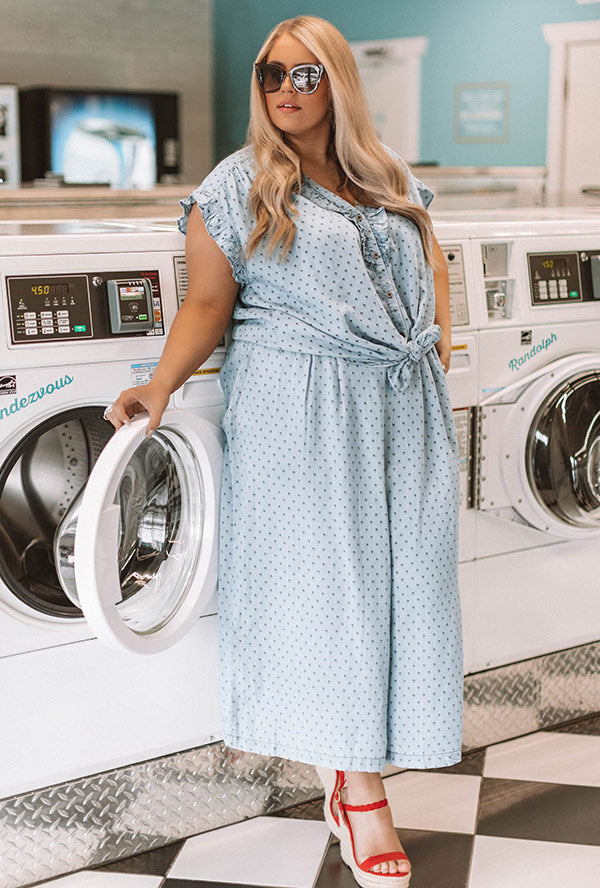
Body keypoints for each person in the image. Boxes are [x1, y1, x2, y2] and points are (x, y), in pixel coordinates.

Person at [104, 14, 463, 887]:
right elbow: (206, 305)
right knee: (331, 595)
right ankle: (358, 792)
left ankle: (375, 749)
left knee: (411, 586)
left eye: (306, 76)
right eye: (272, 74)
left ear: (338, 82)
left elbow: (437, 266)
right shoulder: (238, 185)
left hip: (403, 401)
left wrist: (439, 348)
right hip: (302, 409)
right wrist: (161, 383)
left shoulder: (388, 177)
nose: (286, 91)